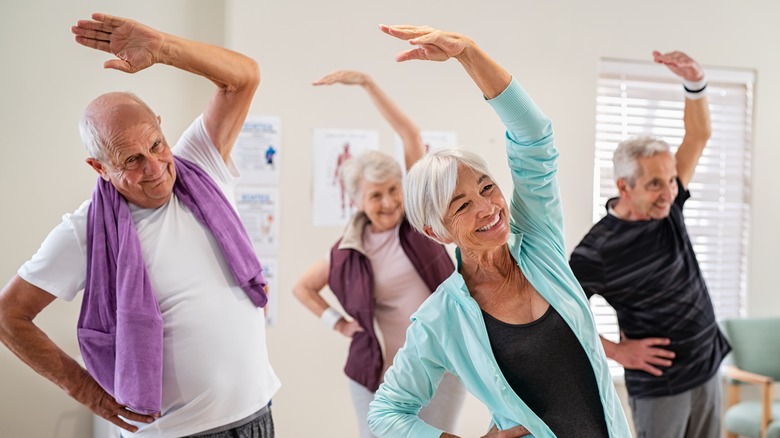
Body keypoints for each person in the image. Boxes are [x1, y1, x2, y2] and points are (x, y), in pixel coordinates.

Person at [0, 13, 279, 437]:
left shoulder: (200, 165)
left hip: (257, 414)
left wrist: (164, 48)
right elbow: (8, 316)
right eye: (132, 160)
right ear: (100, 167)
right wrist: (85, 391)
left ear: (163, 131)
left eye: (156, 145)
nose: (156, 168)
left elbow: (244, 77)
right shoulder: (85, 232)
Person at [368, 25, 631, 438]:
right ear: (437, 232)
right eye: (462, 205)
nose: (488, 207)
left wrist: (468, 53)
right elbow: (386, 413)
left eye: (486, 187)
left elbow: (534, 138)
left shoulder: (539, 245)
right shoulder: (441, 317)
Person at [293, 70, 466, 438]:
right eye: (375, 195)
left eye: (393, 189)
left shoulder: (419, 222)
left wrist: (368, 85)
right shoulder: (347, 250)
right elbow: (303, 288)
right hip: (377, 375)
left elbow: (410, 135)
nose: (388, 202)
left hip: (441, 367)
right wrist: (336, 322)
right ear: (356, 200)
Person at [569, 51, 730, 438]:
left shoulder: (669, 206)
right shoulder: (597, 250)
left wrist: (695, 82)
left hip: (707, 366)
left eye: (671, 180)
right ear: (623, 186)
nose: (668, 192)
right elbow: (560, 315)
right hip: (662, 387)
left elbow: (698, 135)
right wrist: (616, 351)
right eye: (655, 183)